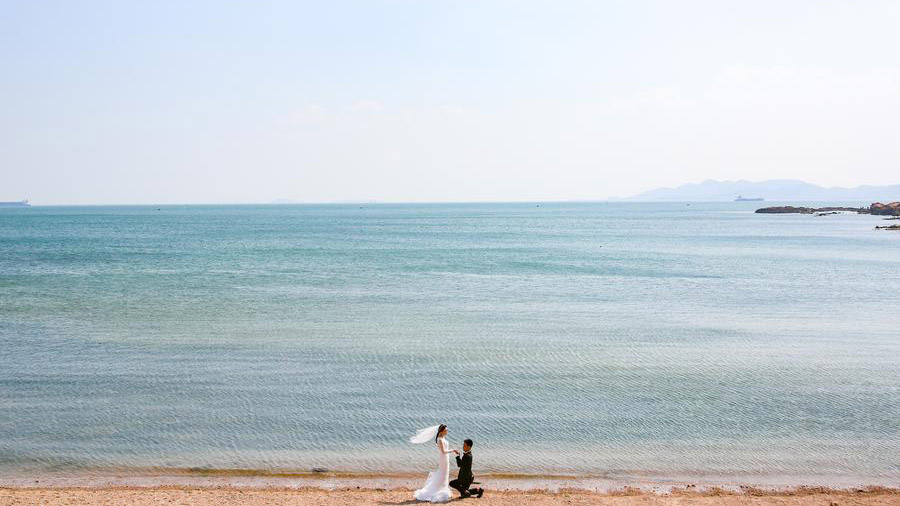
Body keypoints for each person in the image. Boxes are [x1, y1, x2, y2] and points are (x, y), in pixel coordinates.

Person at [411, 424, 457, 502]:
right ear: (441, 431)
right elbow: (443, 451)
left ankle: (443, 490)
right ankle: (437, 491)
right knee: (442, 473)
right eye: (446, 430)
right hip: (443, 458)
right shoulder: (440, 439)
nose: (447, 431)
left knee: (445, 474)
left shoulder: (443, 438)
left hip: (446, 458)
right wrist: (453, 450)